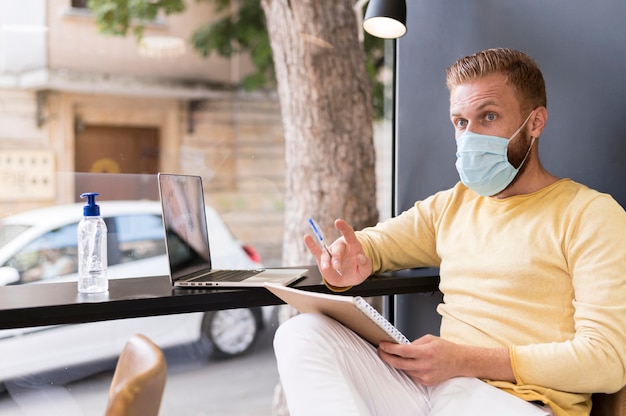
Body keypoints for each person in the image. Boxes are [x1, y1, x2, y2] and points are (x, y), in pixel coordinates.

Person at [273, 48, 626, 416]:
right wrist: (354, 258)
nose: (470, 136)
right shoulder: (453, 204)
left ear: (535, 122)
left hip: (518, 403)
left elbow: (607, 360)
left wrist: (466, 360)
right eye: (460, 122)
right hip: (434, 391)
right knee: (301, 334)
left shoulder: (590, 214)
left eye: (488, 116)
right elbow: (377, 244)